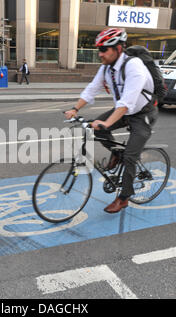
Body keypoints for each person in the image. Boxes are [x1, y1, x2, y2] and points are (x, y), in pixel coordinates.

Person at [64, 27, 158, 214]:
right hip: (123, 111)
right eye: (99, 49)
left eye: (104, 50)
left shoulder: (134, 66)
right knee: (96, 128)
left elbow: (128, 100)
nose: (100, 54)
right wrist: (76, 109)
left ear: (118, 49)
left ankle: (124, 198)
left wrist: (108, 122)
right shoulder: (107, 68)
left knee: (131, 156)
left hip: (143, 114)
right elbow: (93, 88)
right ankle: (116, 153)